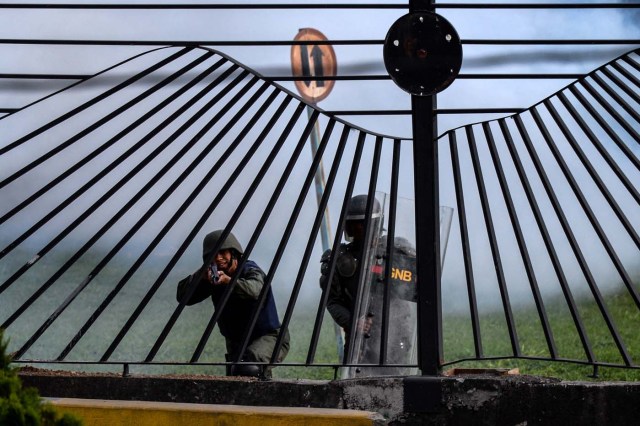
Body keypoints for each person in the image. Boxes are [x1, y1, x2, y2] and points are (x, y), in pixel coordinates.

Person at [320, 194, 417, 376]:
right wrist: (353, 321)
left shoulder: (398, 253)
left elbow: (419, 289)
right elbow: (332, 301)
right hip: (360, 341)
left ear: (372, 224)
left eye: (359, 224)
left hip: (395, 337)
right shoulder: (340, 259)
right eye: (351, 224)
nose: (355, 229)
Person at [177, 230, 289, 379]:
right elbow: (183, 297)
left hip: (268, 336)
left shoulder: (250, 270)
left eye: (223, 252)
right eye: (213, 254)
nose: (218, 258)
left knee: (249, 367)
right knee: (237, 379)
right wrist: (200, 277)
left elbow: (255, 289)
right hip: (236, 341)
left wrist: (228, 281)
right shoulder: (213, 276)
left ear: (234, 253)